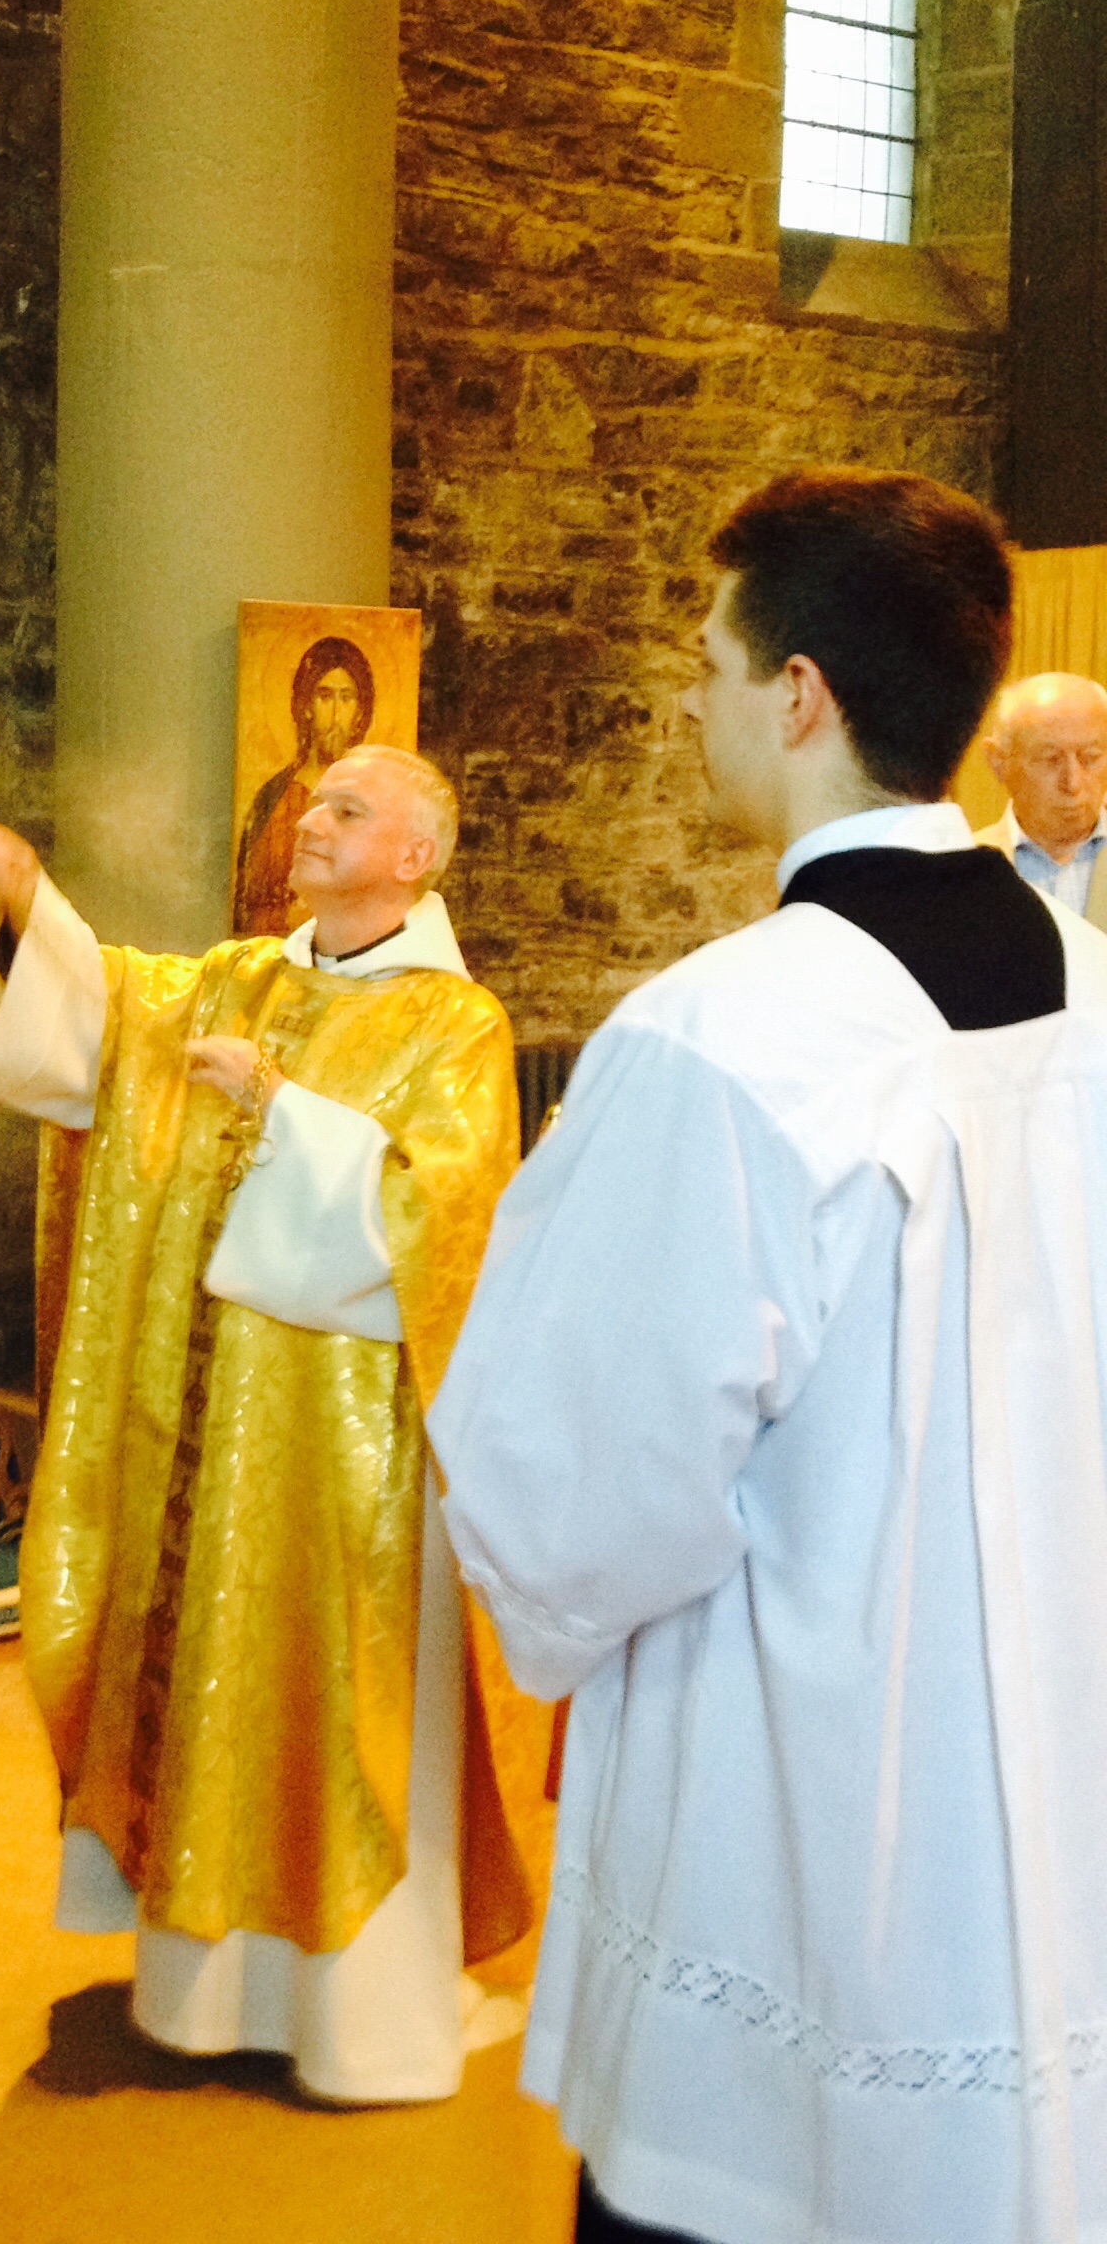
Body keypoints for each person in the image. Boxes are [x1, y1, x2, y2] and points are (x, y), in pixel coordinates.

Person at [429, 469, 1107, 2244]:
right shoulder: (1093, 986)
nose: (686, 701)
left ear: (797, 694)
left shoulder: (721, 1038)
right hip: (1054, 1776)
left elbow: (565, 1489)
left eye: (705, 660)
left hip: (803, 1802)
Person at [0, 746, 530, 2103]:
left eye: (346, 810)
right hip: (201, 1435)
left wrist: (278, 1108)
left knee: (333, 1704)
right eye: (310, 804)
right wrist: (29, 912)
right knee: (203, 1671)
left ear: (414, 858)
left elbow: (440, 1215)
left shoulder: (457, 1025)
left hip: (345, 1448)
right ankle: (205, 2000)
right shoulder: (233, 979)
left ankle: (360, 2022)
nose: (308, 822)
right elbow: (103, 1027)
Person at [233, 635, 376, 934]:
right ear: (307, 705)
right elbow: (248, 906)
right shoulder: (274, 797)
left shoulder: (374, 796)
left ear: (360, 711)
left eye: (346, 698)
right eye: (325, 696)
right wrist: (290, 917)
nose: (335, 715)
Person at [973, 669, 1107, 925]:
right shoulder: (963, 870)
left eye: (1090, 758)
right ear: (999, 761)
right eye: (1051, 759)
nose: (1073, 783)